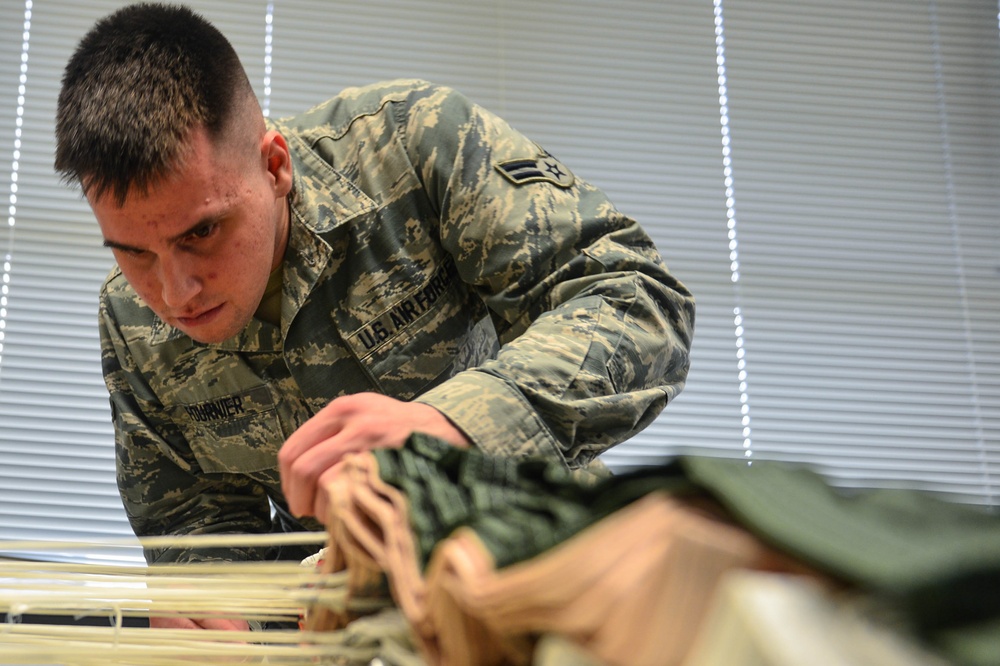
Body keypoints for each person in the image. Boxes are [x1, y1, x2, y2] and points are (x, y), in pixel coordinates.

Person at [54, 2, 695, 630]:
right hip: (351, 629)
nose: (174, 292)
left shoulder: (414, 145)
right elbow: (193, 523)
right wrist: (218, 604)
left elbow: (637, 301)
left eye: (203, 232)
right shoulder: (128, 319)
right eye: (134, 252)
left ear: (273, 165)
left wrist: (452, 424)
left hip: (546, 580)